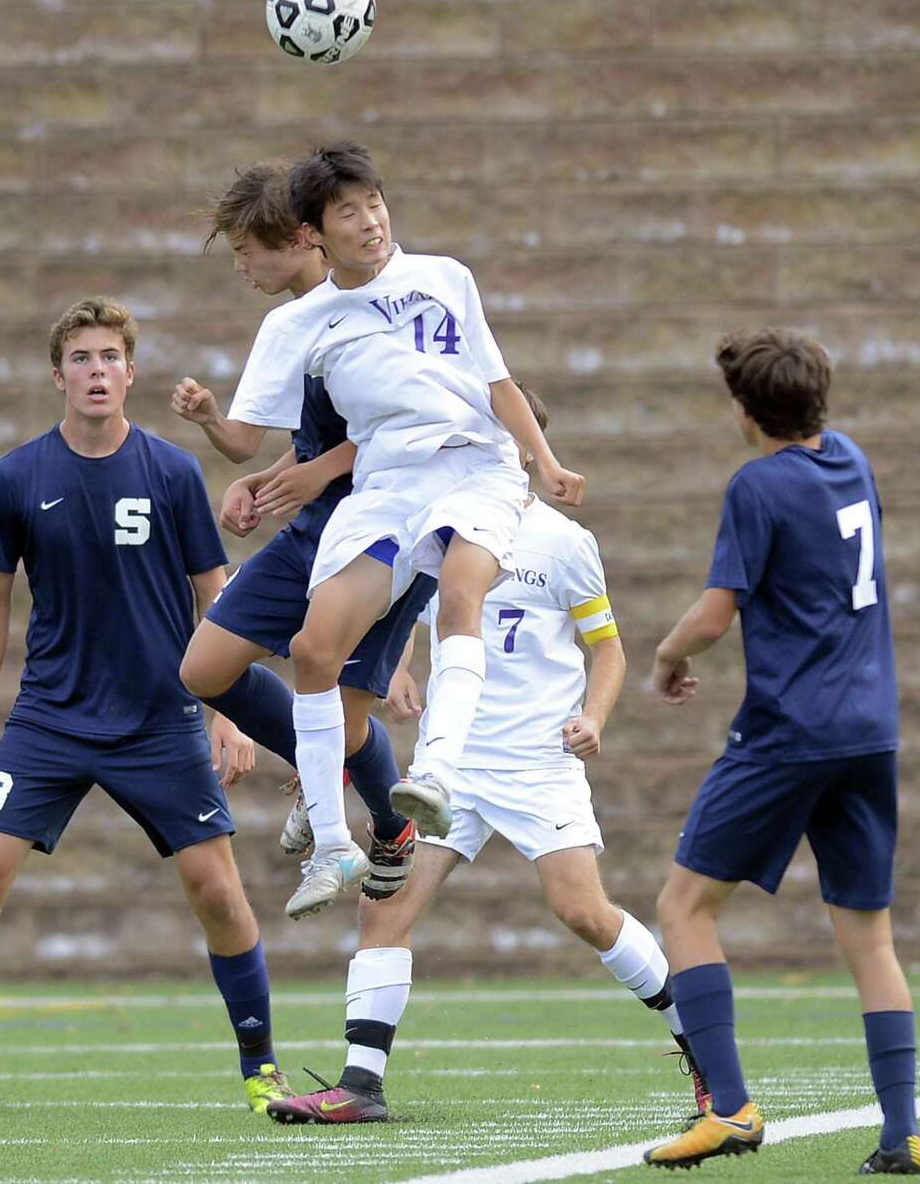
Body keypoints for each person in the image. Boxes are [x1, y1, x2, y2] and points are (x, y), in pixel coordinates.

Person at [0, 298, 294, 1117]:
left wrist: (227, 713)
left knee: (219, 892)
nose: (98, 371)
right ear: (58, 374)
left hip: (160, 716)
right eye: (83, 358)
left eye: (111, 357)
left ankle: (262, 1068)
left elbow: (217, 599)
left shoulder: (170, 472)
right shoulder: (17, 476)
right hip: (50, 718)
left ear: (132, 371)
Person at [264, 385, 708, 1124]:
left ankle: (704, 1052)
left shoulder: (563, 540)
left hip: (537, 761)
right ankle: (360, 1085)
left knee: (584, 911)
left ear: (520, 444)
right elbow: (406, 614)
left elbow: (608, 648)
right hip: (454, 766)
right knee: (385, 909)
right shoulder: (434, 523)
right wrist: (398, 668)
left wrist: (593, 717)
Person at [221, 141, 585, 921]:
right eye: (347, 210)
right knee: (316, 650)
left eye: (375, 202)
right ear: (314, 233)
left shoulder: (446, 277)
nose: (370, 220)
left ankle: (438, 773)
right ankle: (331, 843)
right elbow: (249, 435)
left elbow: (497, 385)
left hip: (475, 468)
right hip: (388, 484)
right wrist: (226, 445)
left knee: (461, 595)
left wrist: (545, 462)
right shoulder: (299, 325)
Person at [641, 329, 920, 1175]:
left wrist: (667, 655)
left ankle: (728, 1107)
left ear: (744, 411)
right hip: (870, 729)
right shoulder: (853, 458)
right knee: (870, 939)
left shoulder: (757, 484)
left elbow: (716, 611)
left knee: (685, 904)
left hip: (789, 730)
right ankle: (901, 1132)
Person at [170, 162, 435, 914]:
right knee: (203, 667)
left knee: (347, 723)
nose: (242, 268)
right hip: (318, 529)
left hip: (387, 523)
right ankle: (328, 775)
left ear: (296, 238)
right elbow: (277, 440)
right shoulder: (292, 323)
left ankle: (386, 825)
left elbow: (411, 425)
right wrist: (259, 477)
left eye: (246, 251)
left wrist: (319, 471)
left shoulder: (381, 299)